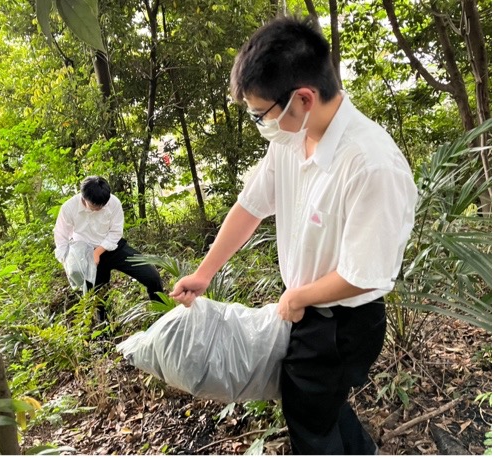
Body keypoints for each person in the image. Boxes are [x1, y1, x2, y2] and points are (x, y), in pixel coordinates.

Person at [170, 16, 417, 455]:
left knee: (309, 421)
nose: (260, 123)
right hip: (308, 313)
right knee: (317, 405)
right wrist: (205, 273)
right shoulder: (288, 140)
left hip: (343, 324)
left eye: (261, 113)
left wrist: (298, 298)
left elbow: (366, 275)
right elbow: (250, 207)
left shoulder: (371, 164)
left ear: (302, 98)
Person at [54, 176, 164, 319]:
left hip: (113, 248)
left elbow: (115, 232)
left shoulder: (113, 203)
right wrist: (68, 265)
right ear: (84, 198)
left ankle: (162, 314)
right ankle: (105, 334)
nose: (100, 209)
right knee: (98, 300)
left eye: (102, 206)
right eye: (95, 206)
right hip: (87, 253)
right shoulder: (69, 208)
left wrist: (98, 252)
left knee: (152, 276)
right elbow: (61, 238)